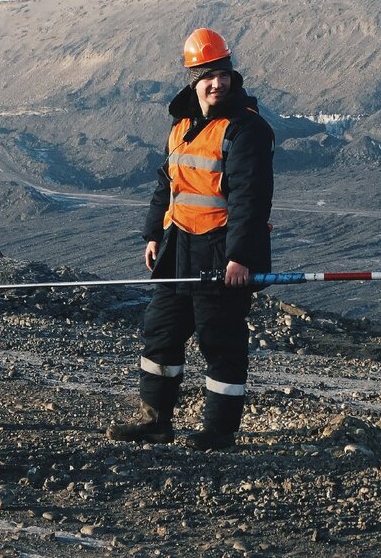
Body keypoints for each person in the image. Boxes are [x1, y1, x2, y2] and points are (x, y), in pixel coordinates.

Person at [108, 27, 274, 451]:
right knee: (160, 333)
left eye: (223, 74)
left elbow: (250, 202)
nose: (217, 83)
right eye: (207, 75)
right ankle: (155, 421)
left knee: (220, 342)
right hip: (177, 247)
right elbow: (167, 186)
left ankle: (219, 432)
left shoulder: (245, 130)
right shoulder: (181, 125)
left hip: (220, 252)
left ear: (232, 76)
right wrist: (152, 234)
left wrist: (240, 257)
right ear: (193, 79)